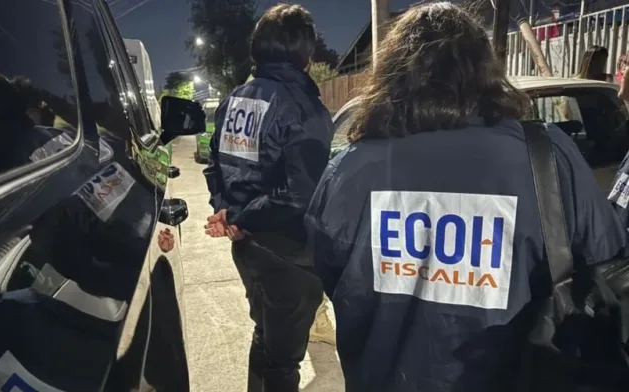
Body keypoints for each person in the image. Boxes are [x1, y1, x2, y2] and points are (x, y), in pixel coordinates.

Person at [304, 3, 629, 392]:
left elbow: (327, 266)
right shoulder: (546, 156)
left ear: (392, 77)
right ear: (485, 72)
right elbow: (607, 264)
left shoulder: (351, 168)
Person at [203, 3, 333, 391]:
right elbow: (300, 194)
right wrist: (238, 219)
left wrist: (227, 213)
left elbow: (215, 164)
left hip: (247, 247)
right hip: (288, 253)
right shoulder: (303, 108)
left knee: (264, 334)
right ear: (304, 52)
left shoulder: (233, 101)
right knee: (283, 360)